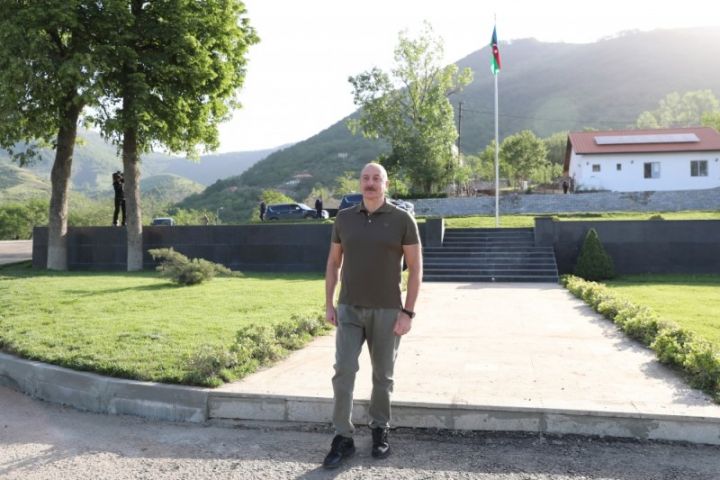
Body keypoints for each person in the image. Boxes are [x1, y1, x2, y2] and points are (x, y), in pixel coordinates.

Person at [322, 162, 422, 469]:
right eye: (365, 178)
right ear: (359, 182)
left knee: (383, 376)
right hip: (349, 307)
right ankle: (343, 437)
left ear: (386, 184)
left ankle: (380, 430)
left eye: (376, 178)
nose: (370, 182)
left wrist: (408, 312)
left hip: (388, 310)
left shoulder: (402, 219)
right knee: (344, 370)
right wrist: (329, 303)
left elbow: (416, 268)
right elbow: (333, 263)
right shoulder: (344, 218)